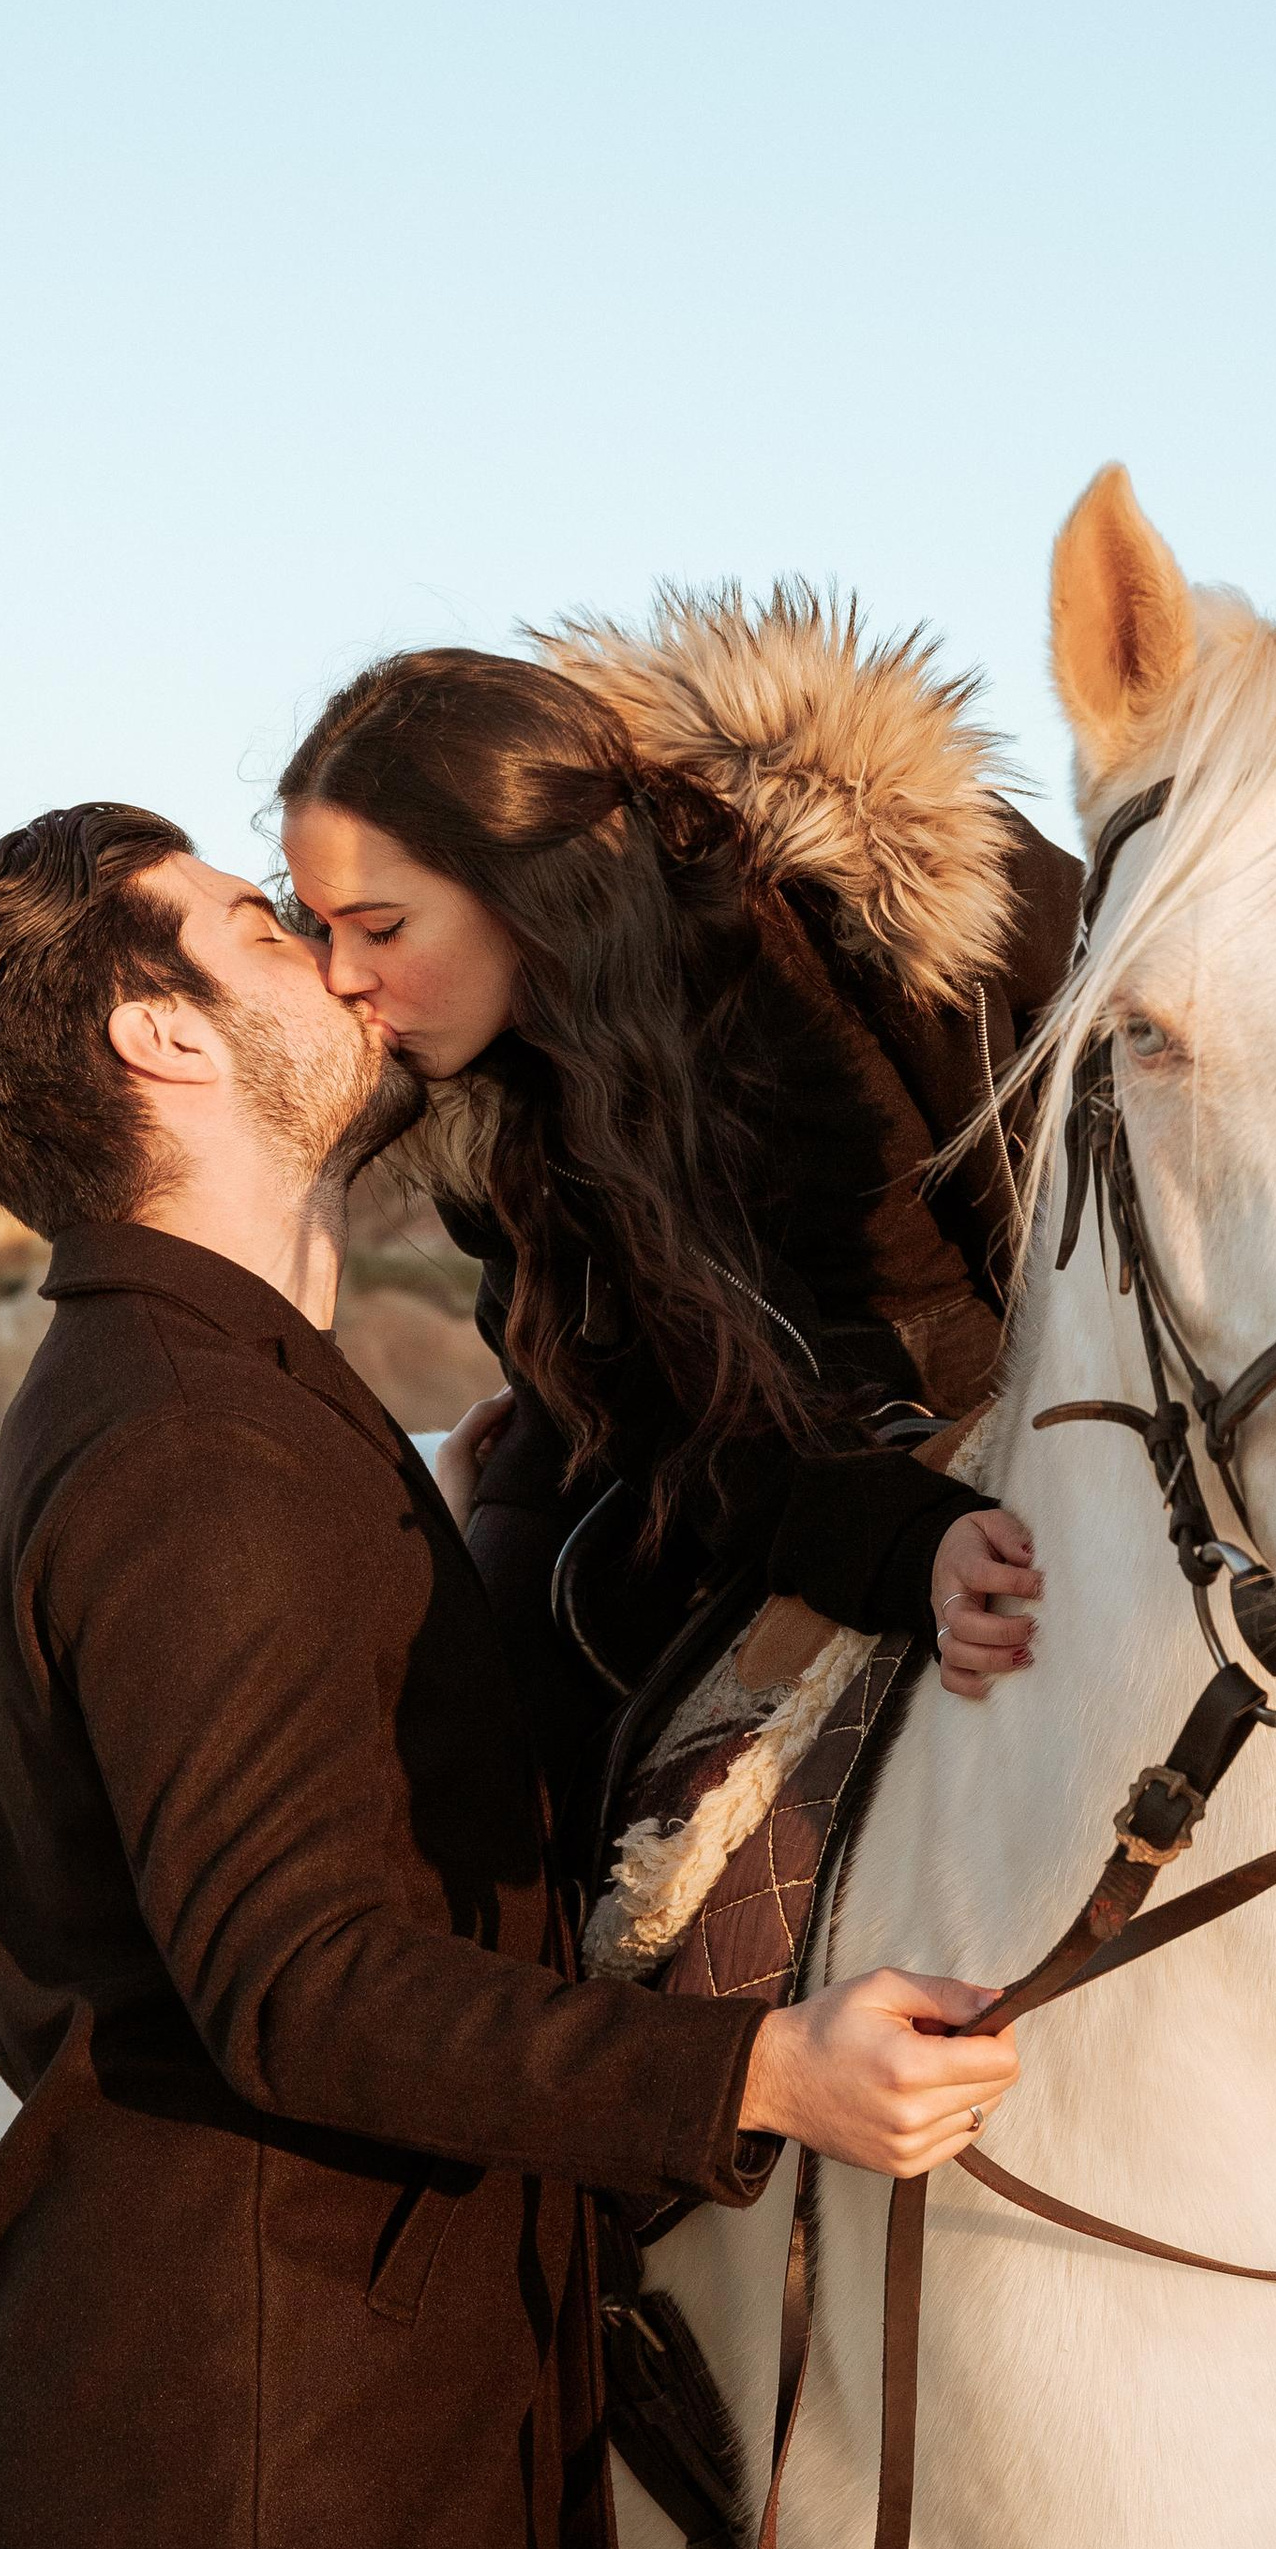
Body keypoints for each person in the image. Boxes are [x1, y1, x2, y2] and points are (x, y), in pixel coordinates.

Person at [0, 802, 1018, 2549]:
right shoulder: (185, 1453)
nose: (324, 942)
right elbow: (300, 1985)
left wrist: (895, 1545)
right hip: (258, 2458)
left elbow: (625, 1493)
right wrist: (759, 2073)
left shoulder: (239, 1399)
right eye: (250, 922)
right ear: (161, 1037)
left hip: (336, 2392)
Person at [275, 592, 1085, 1817]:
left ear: (524, 883)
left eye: (379, 926)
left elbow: (1182, 1079)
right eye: (320, 928)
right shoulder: (493, 1121)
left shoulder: (887, 902)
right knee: (484, 1762)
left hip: (1072, 1392)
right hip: (747, 1490)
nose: (341, 978)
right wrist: (904, 1538)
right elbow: (691, 1420)